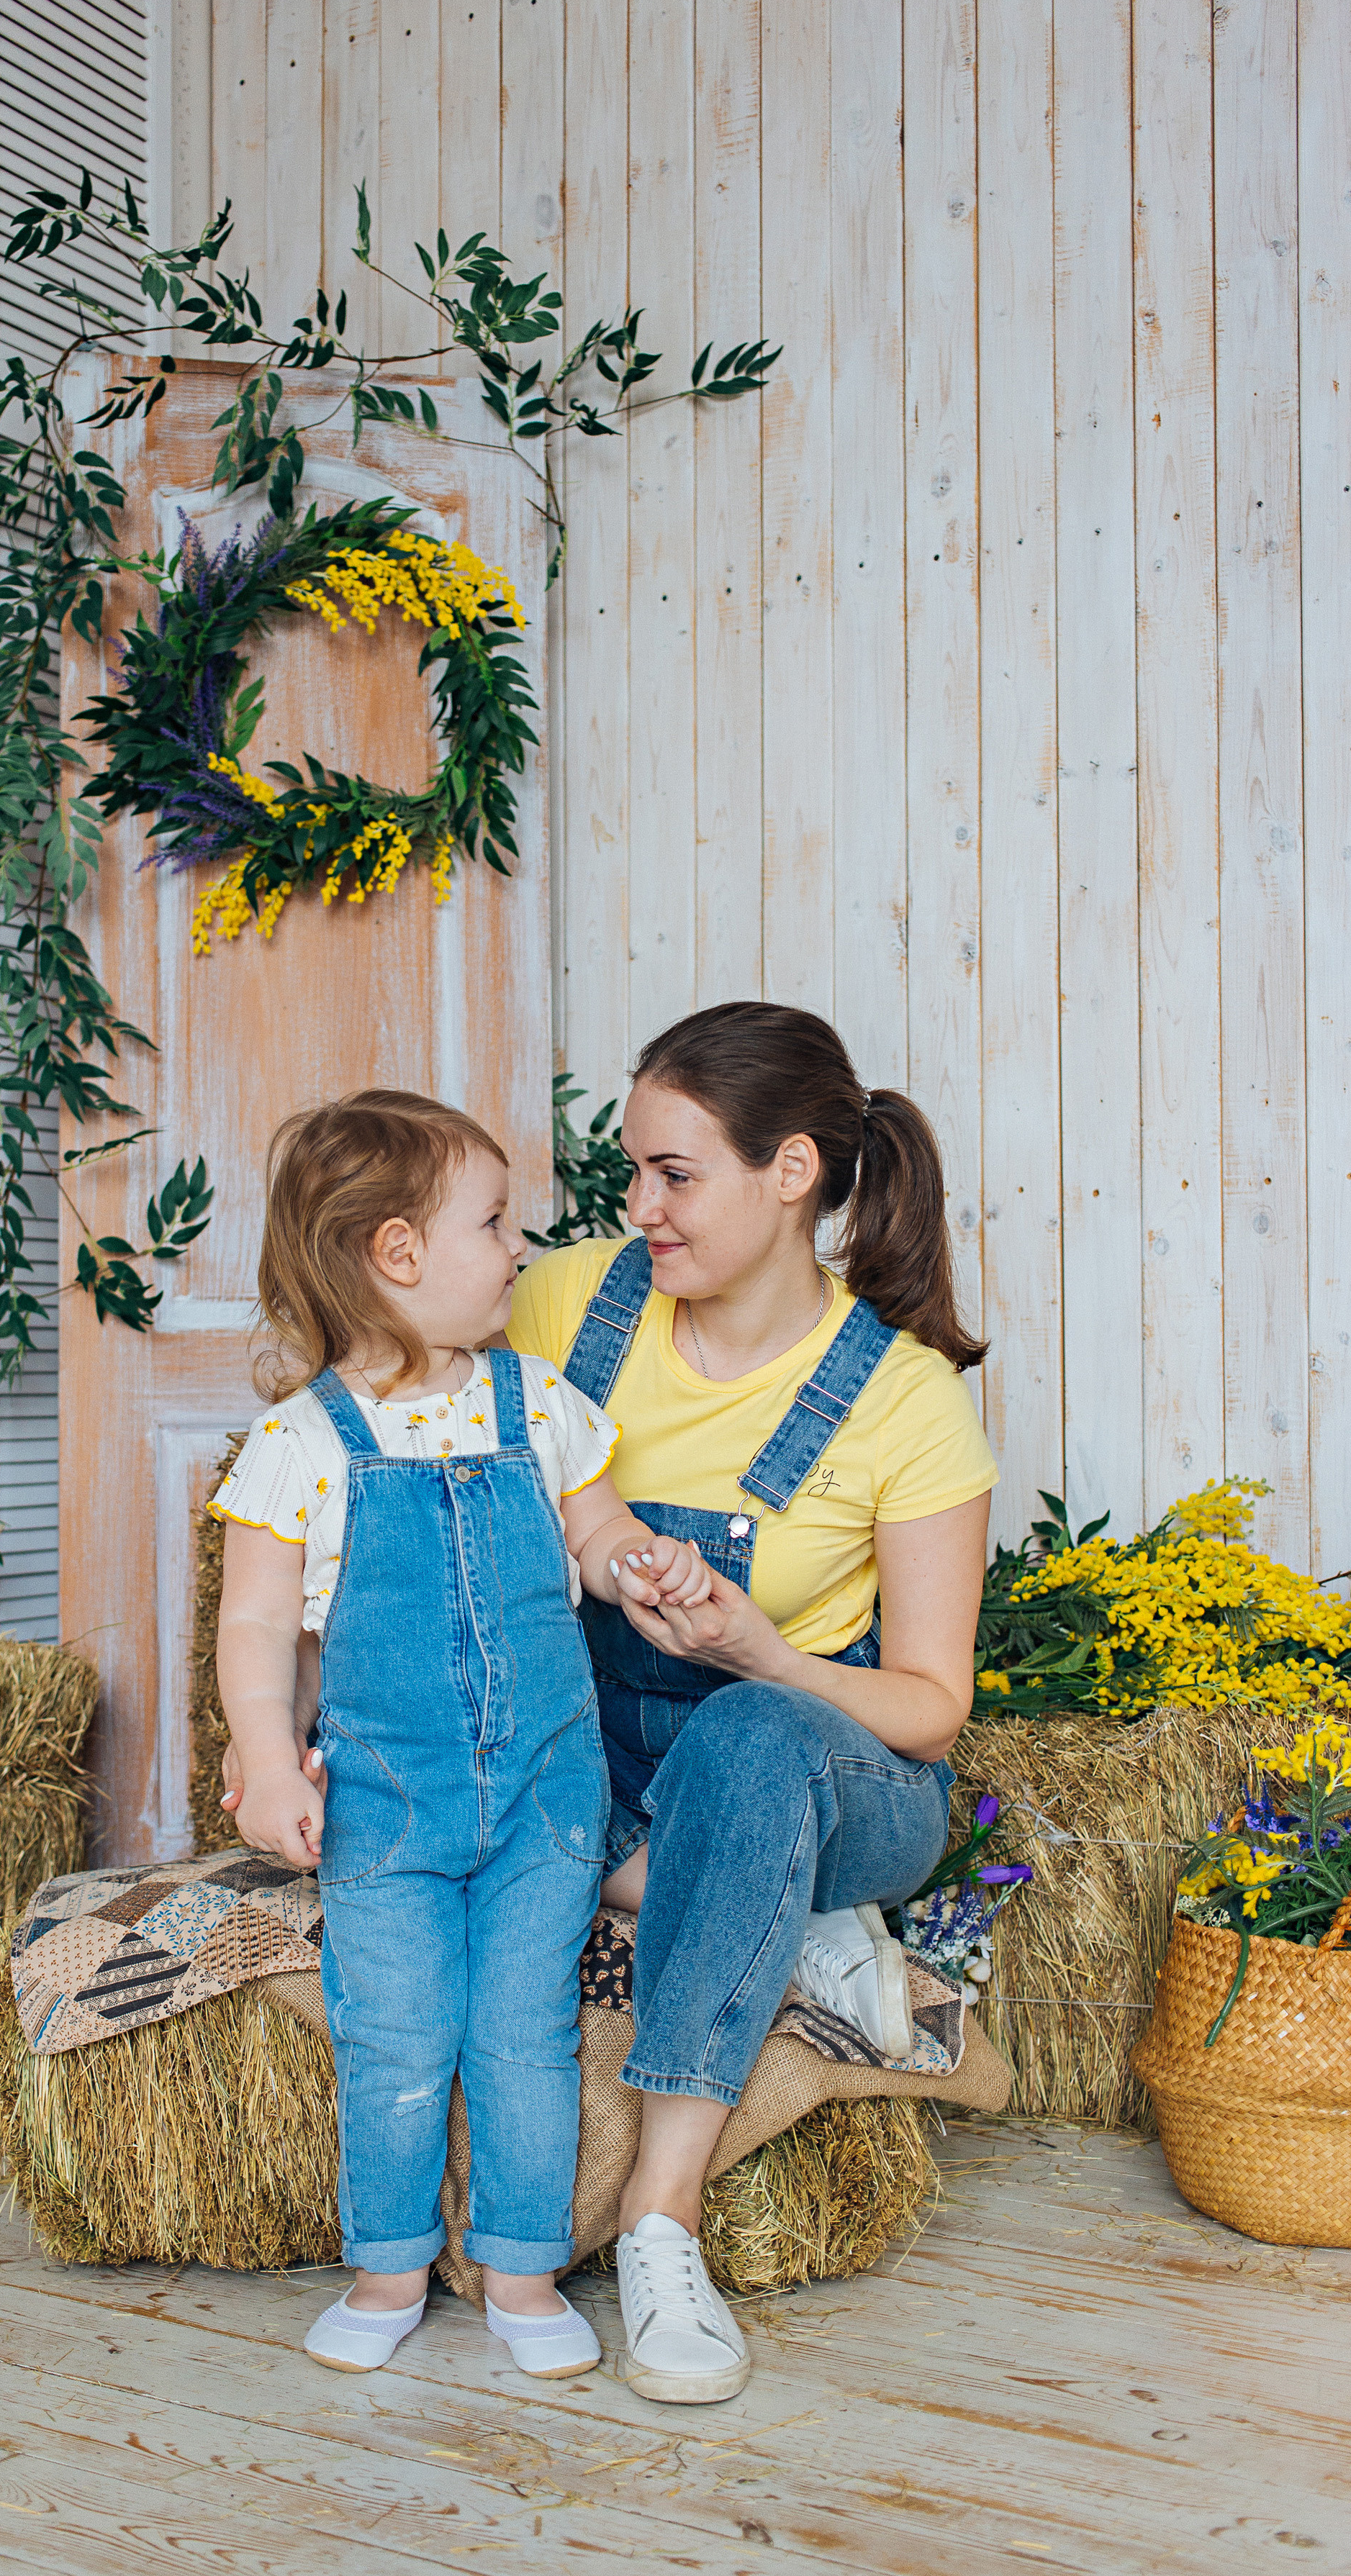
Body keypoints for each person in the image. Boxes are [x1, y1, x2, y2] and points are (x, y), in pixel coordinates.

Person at [505, 1002, 997, 2405]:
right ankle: (767, 1917)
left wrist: (763, 1653)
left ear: (791, 1173)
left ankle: (663, 2226)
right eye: (631, 1171)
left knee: (750, 1744)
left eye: (676, 1175)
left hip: (834, 1763)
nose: (638, 1208)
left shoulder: (905, 1405)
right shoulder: (565, 1307)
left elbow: (930, 1705)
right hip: (605, 1740)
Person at [210, 1091, 713, 2382]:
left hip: (547, 1797)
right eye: (496, 1223)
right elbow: (259, 1633)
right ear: (399, 1254)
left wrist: (633, 1564)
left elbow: (593, 1536)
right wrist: (267, 1760)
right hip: (387, 1804)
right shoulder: (302, 1445)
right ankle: (385, 2264)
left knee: (521, 2030)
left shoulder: (539, 1406)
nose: (520, 1249)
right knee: (392, 2028)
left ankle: (523, 2269)